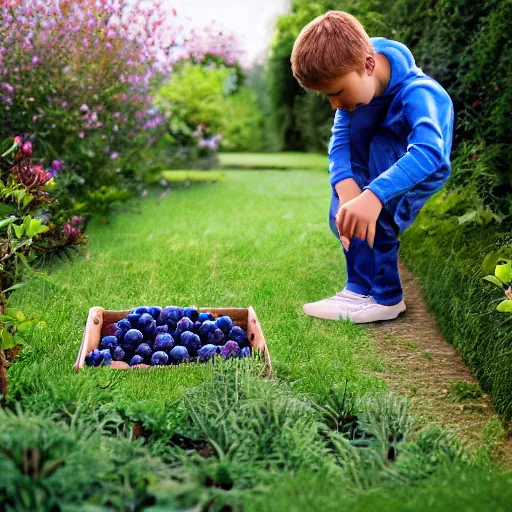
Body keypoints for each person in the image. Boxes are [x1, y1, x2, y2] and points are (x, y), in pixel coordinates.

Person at [291, 10, 455, 323]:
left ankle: (387, 297)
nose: (334, 104)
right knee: (343, 209)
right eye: (327, 96)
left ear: (368, 65)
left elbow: (429, 152)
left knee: (377, 214)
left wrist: (374, 196)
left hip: (418, 167)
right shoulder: (353, 73)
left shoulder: (419, 93)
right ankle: (357, 288)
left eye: (337, 93)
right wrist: (346, 187)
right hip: (378, 157)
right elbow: (340, 141)